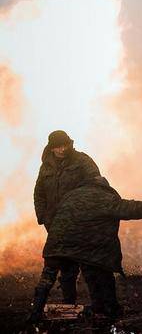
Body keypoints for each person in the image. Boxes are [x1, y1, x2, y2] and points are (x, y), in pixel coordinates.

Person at [28, 176, 142, 322]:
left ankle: (36, 312)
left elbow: (52, 214)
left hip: (56, 244)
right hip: (87, 247)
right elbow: (130, 209)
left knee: (47, 278)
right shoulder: (104, 197)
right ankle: (110, 309)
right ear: (104, 187)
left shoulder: (70, 195)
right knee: (101, 272)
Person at [32, 130, 101, 307]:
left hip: (80, 224)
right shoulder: (46, 166)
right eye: (57, 146)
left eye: (65, 145)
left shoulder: (82, 161)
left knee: (89, 267)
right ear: (52, 148)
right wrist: (42, 216)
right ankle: (68, 304)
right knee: (64, 266)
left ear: (70, 143)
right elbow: (39, 192)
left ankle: (101, 307)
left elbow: (96, 185)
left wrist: (88, 213)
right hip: (55, 225)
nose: (62, 149)